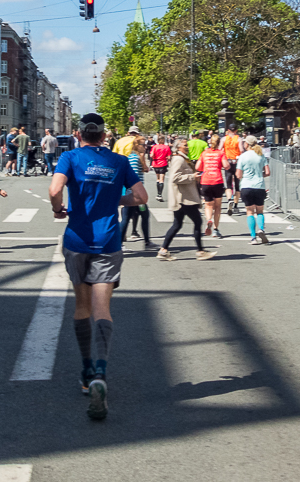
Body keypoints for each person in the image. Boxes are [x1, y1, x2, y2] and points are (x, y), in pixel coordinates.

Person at [49, 113, 148, 420]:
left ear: (79, 135)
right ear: (105, 136)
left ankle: (85, 370)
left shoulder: (69, 156)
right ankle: (100, 375)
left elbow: (54, 191)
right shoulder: (118, 162)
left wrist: (58, 210)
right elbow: (141, 197)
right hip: (108, 242)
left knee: (81, 308)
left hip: (77, 239)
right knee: (102, 310)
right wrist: (115, 201)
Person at [158, 135, 212, 260]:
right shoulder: (179, 160)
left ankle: (163, 250)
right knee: (197, 222)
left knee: (177, 224)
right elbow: (175, 178)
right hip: (184, 198)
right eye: (185, 145)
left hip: (183, 198)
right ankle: (200, 251)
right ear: (178, 147)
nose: (187, 147)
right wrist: (192, 177)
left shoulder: (182, 159)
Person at [236, 135, 270, 244]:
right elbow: (268, 172)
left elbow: (238, 174)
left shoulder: (243, 156)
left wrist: (243, 176)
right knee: (260, 211)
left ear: (247, 144)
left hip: (246, 186)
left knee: (249, 211)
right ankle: (261, 229)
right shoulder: (261, 155)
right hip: (259, 186)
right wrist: (260, 175)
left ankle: (253, 237)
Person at [120, 136, 152, 248]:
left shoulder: (137, 156)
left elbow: (145, 169)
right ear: (137, 146)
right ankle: (119, 244)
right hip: (133, 194)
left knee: (141, 216)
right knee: (127, 218)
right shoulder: (133, 157)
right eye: (143, 145)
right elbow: (132, 175)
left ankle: (147, 242)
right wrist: (135, 192)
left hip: (136, 194)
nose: (145, 147)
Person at [197, 133, 226, 239]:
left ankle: (209, 219)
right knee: (218, 206)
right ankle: (215, 229)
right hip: (217, 181)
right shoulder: (221, 153)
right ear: (219, 143)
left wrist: (204, 168)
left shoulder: (204, 153)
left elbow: (198, 166)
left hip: (205, 181)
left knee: (208, 204)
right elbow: (226, 165)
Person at [222, 125, 242, 215]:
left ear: (228, 130)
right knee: (237, 184)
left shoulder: (224, 139)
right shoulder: (239, 139)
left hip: (228, 162)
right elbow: (241, 150)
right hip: (237, 162)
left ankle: (229, 199)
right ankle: (236, 205)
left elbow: (219, 150)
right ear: (236, 130)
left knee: (228, 183)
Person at [149, 134, 172, 201]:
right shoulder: (166, 147)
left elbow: (151, 155)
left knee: (158, 179)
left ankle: (158, 194)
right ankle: (159, 195)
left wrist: (154, 158)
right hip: (163, 163)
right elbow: (169, 157)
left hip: (156, 163)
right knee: (162, 180)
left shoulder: (155, 147)